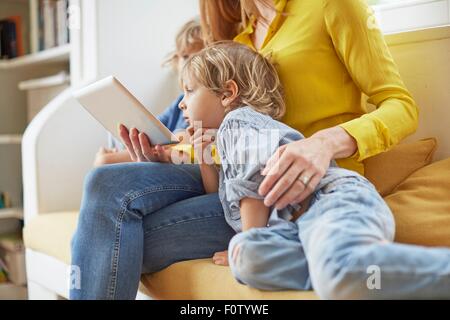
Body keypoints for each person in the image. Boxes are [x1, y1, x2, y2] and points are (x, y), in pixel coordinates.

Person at [71, 0, 444, 300]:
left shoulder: (332, 6)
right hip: (247, 188)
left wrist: (322, 144)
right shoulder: (240, 42)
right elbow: (231, 149)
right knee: (107, 187)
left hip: (309, 185)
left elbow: (400, 105)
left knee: (117, 239)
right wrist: (168, 152)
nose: (184, 101)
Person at [93, 19, 204, 167]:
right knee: (115, 138)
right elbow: (150, 132)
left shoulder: (204, 104)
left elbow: (180, 148)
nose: (190, 63)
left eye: (198, 56)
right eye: (185, 56)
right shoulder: (179, 102)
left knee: (104, 162)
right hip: (158, 156)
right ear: (176, 61)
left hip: (177, 162)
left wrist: (108, 159)